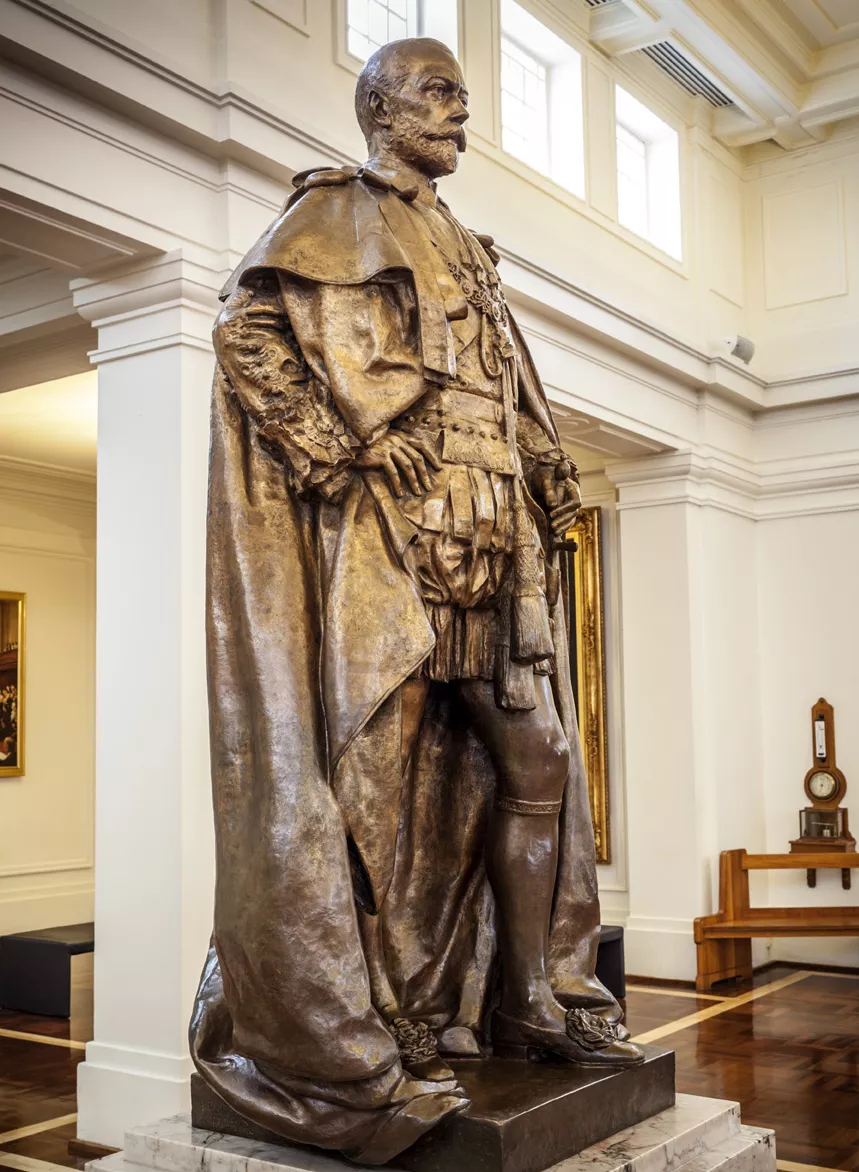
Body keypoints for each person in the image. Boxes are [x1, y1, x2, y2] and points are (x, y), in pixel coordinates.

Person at [190, 37, 642, 1166]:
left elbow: (505, 382)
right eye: (439, 95)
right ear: (380, 110)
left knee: (534, 764)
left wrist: (545, 468)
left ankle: (533, 992)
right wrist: (334, 446)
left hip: (498, 545)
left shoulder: (468, 246)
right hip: (399, 545)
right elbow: (244, 328)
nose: (461, 113)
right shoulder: (334, 210)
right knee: (376, 792)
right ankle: (379, 1022)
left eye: (463, 98)